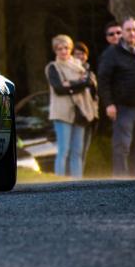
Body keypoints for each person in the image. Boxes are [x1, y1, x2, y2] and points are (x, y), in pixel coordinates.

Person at [97, 17, 135, 177]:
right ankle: (120, 182)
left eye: (134, 29)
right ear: (123, 32)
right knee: (122, 146)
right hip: (122, 107)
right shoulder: (112, 53)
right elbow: (103, 80)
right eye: (128, 30)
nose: (131, 33)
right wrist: (108, 104)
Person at [45, 34, 97, 178]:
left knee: (77, 151)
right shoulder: (52, 67)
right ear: (55, 50)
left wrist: (71, 84)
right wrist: (79, 84)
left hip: (80, 111)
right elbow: (59, 88)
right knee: (64, 150)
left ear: (71, 49)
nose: (63, 51)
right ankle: (60, 181)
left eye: (66, 48)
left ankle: (77, 182)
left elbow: (89, 83)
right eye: (60, 48)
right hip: (62, 113)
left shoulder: (78, 66)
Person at [72, 41, 98, 170]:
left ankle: (79, 179)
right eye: (76, 54)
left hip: (90, 116)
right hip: (76, 115)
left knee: (84, 151)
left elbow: (95, 96)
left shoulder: (91, 74)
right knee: (76, 151)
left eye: (82, 54)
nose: (80, 57)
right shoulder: (69, 72)